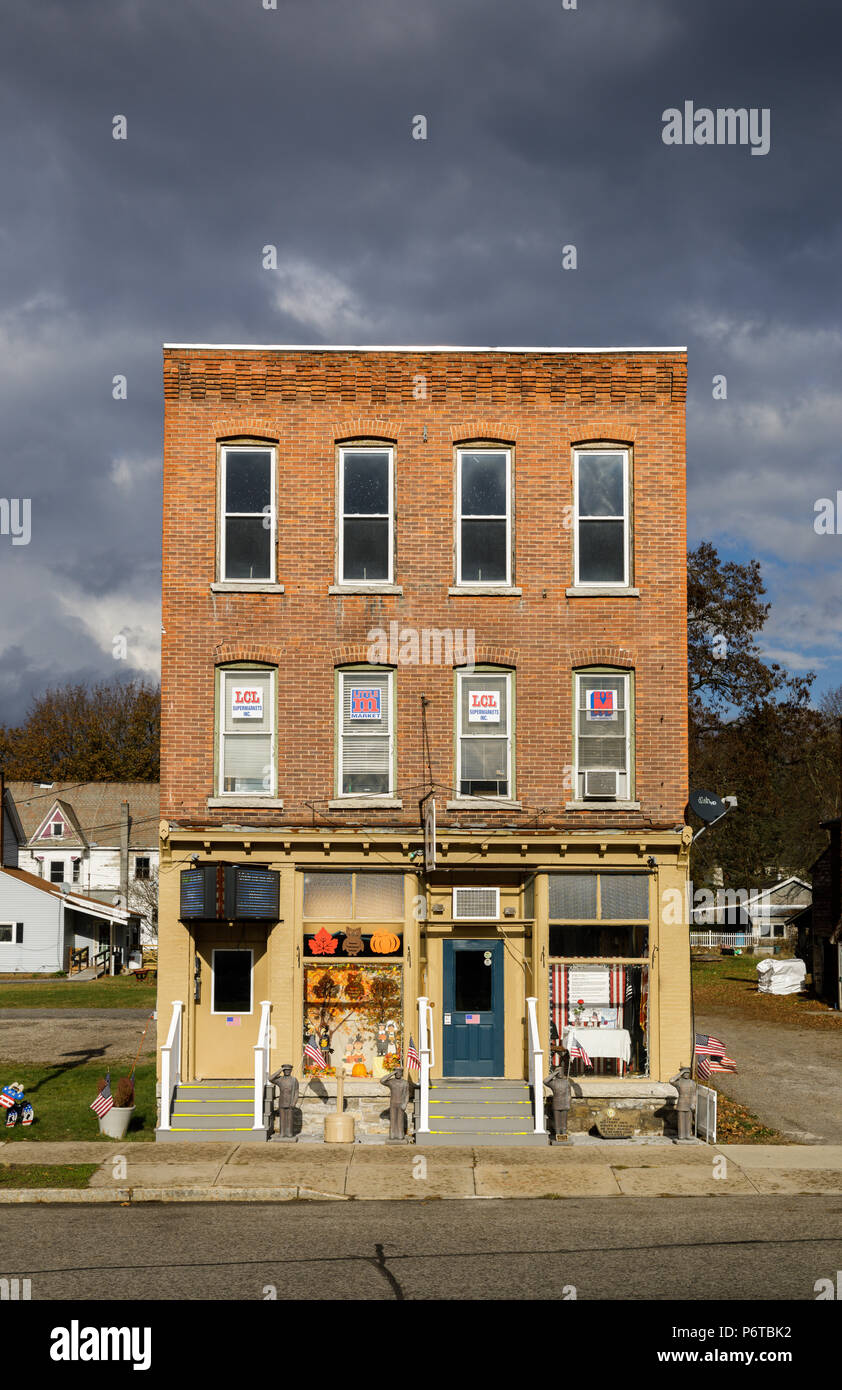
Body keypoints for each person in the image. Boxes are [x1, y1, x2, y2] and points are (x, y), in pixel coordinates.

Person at [670, 1067, 696, 1141]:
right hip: (681, 1102)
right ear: (682, 1074)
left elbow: (694, 1094)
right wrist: (680, 1073)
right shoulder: (679, 1082)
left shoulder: (692, 1083)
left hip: (689, 1103)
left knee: (688, 1120)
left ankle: (687, 1135)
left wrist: (693, 1103)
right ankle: (681, 1135)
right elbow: (671, 1081)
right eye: (685, 1073)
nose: (687, 1074)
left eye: (688, 1073)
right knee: (681, 1120)